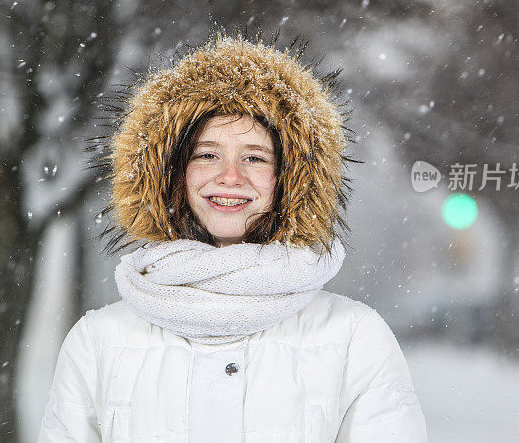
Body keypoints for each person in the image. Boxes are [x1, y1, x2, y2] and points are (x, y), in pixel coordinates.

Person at [38, 32, 427, 442]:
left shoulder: (353, 339)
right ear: (171, 175)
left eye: (255, 157)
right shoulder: (98, 342)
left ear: (290, 179)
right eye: (207, 154)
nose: (230, 177)